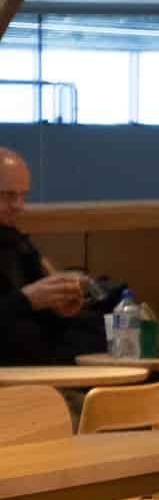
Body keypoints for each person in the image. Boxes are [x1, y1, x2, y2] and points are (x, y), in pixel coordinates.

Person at [0, 148, 97, 367]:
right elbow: (21, 306)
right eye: (7, 195)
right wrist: (27, 299)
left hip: (35, 367)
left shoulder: (17, 242)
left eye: (23, 195)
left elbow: (35, 315)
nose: (18, 206)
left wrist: (58, 306)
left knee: (100, 326)